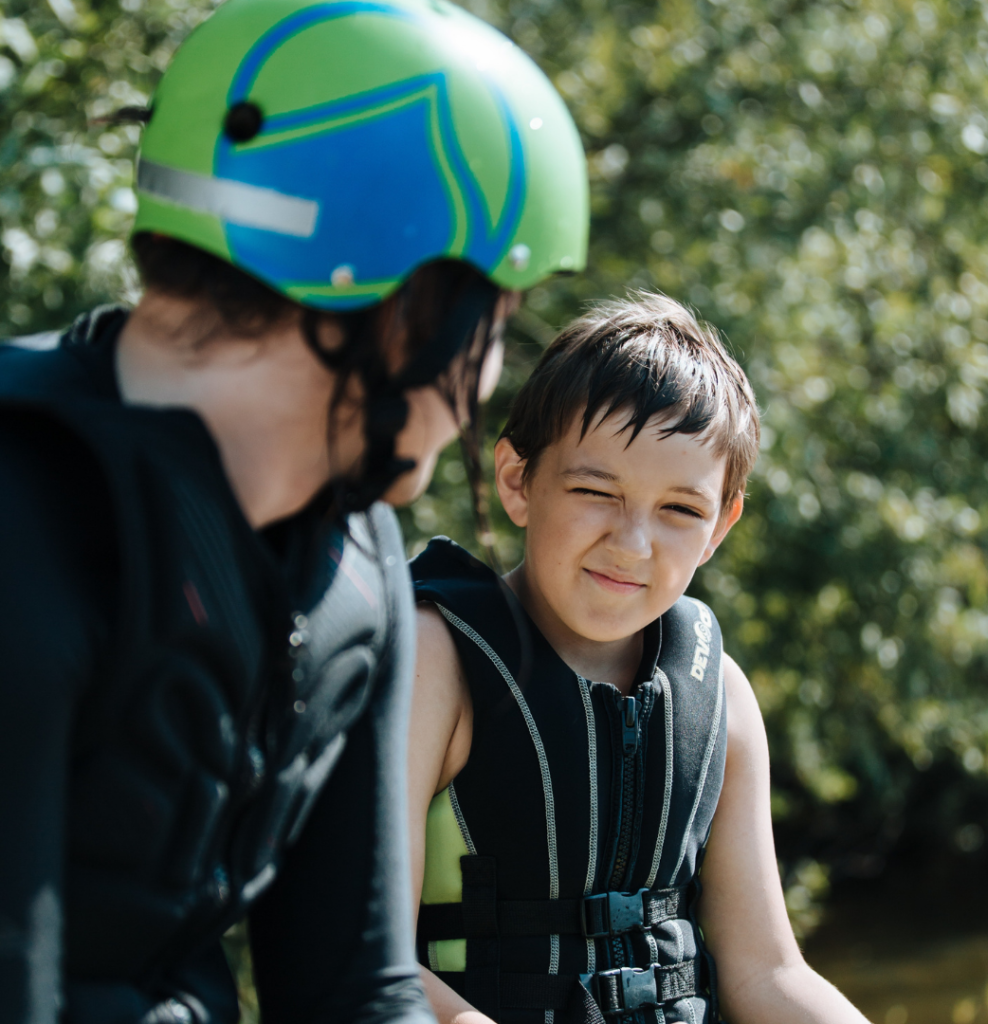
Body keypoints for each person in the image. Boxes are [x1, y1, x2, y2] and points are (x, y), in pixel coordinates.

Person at [0, 0, 588, 1021]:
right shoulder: (24, 508)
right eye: (488, 326)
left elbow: (351, 993)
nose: (489, 375)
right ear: (408, 311)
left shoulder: (357, 558)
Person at [407, 295, 871, 1024]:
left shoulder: (718, 695)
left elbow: (769, 973)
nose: (633, 544)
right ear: (517, 480)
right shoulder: (437, 662)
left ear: (722, 524)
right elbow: (363, 961)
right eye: (595, 491)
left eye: (680, 511)